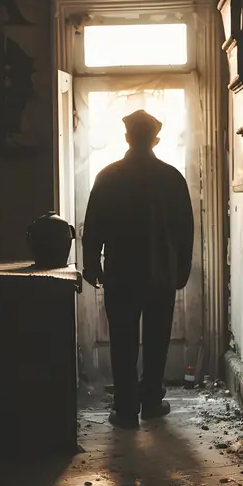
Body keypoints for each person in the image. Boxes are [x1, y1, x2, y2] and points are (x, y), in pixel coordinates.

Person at [82, 109, 194, 429]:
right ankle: (152, 401)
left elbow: (93, 226)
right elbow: (185, 230)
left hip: (121, 272)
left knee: (123, 340)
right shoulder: (172, 178)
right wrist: (181, 270)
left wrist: (92, 264)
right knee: (157, 339)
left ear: (127, 137)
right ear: (155, 140)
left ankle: (126, 408)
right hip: (161, 272)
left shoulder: (108, 176)